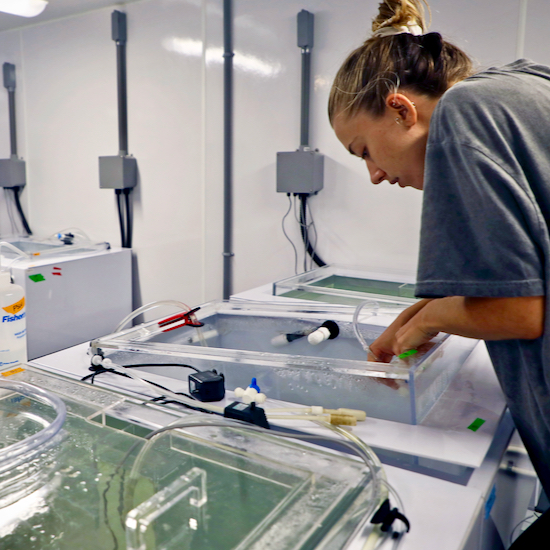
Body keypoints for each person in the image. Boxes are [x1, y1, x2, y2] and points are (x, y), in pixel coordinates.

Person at [328, 0, 550, 546]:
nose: (376, 175)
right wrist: (420, 317)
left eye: (364, 151)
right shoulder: (523, 86)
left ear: (401, 110)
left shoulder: (465, 111)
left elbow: (521, 311)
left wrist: (427, 324)